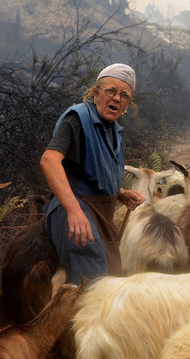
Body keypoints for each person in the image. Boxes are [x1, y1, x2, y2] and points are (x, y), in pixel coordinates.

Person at [40, 63, 145, 283]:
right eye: (111, 91)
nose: (116, 98)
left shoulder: (113, 130)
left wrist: (120, 193)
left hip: (101, 215)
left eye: (124, 95)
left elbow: (94, 175)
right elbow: (49, 161)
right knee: (94, 289)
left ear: (127, 105)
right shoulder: (77, 119)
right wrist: (74, 210)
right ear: (95, 93)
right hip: (77, 211)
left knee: (111, 277)